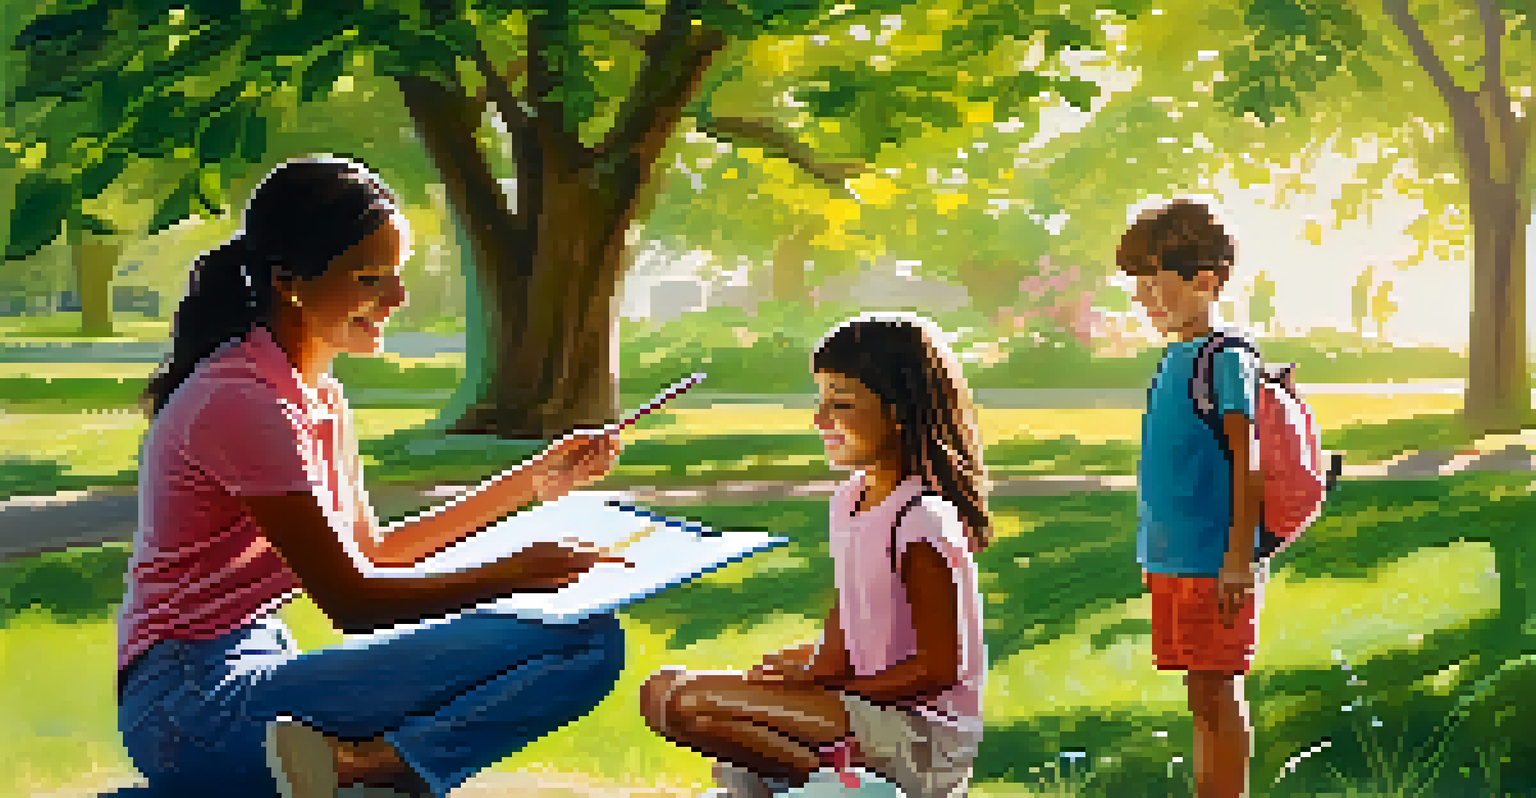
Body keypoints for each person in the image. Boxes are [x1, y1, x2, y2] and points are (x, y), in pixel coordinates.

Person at [118, 156, 630, 798]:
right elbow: (353, 602)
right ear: (291, 283)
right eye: (370, 277)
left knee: (589, 642)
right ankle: (370, 770)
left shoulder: (316, 394)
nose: (396, 298)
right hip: (192, 707)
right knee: (581, 646)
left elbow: (372, 551)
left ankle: (354, 769)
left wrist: (531, 480)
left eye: (396, 275)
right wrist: (519, 573)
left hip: (259, 668)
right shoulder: (241, 400)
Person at [638, 313, 991, 798]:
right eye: (820, 400)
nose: (820, 419)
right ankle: (819, 782)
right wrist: (807, 671)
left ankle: (859, 790)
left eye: (841, 403)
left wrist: (829, 691)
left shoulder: (920, 517)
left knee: (692, 702)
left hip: (923, 738)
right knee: (663, 690)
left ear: (899, 411)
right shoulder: (850, 502)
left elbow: (938, 668)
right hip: (868, 711)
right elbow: (845, 633)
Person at [1117, 199, 1265, 798]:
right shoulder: (1178, 352)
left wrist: (1237, 558)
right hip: (1175, 560)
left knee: (1218, 692)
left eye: (1154, 287)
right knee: (1200, 694)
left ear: (1205, 282)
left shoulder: (1224, 356)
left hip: (1213, 561)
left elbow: (1246, 462)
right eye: (1139, 288)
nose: (1143, 300)